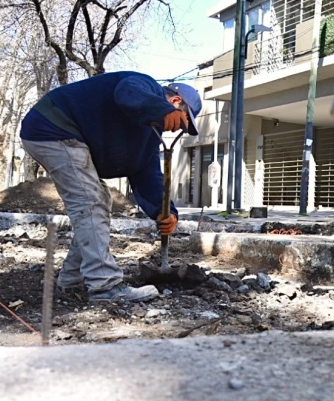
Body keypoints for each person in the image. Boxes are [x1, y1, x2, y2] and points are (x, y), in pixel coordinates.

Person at [20, 72, 201, 303]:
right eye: (184, 122)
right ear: (176, 102)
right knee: (89, 201)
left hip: (66, 136)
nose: (178, 130)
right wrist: (159, 109)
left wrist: (165, 212)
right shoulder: (145, 86)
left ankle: (73, 278)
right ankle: (105, 286)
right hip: (54, 126)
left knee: (99, 200)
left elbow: (146, 173)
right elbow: (127, 92)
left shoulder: (148, 136)